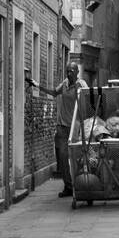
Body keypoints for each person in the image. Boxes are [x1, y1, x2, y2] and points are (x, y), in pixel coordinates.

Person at [32, 62, 82, 197]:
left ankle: (79, 183)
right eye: (67, 71)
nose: (69, 73)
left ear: (77, 72)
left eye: (72, 71)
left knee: (74, 156)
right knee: (62, 156)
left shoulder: (81, 85)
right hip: (62, 126)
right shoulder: (65, 84)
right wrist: (38, 86)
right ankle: (68, 186)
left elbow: (88, 99)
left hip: (74, 126)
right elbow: (54, 92)